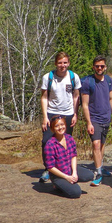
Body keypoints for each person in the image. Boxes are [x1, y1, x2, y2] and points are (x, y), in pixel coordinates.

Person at [40, 51, 81, 182]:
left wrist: (75, 114)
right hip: (52, 113)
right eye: (59, 63)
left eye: (65, 62)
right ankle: (48, 169)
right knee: (46, 141)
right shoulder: (48, 77)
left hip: (68, 114)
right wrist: (45, 116)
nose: (62, 65)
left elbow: (76, 96)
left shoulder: (74, 77)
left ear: (68, 63)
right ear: (55, 63)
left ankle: (65, 169)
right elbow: (44, 97)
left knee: (66, 143)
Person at [81, 55, 112, 186]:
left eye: (102, 66)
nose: (99, 68)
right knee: (96, 144)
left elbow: (111, 99)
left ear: (105, 67)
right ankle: (98, 173)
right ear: (93, 67)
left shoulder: (108, 80)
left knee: (101, 144)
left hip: (106, 118)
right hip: (94, 118)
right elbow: (85, 104)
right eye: (97, 66)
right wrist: (89, 122)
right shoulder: (87, 82)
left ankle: (100, 167)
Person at [43, 116, 94, 198]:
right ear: (52, 129)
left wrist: (74, 172)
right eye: (57, 126)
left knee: (89, 175)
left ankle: (67, 184)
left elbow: (73, 156)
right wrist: (66, 177)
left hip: (69, 169)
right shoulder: (50, 144)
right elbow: (50, 167)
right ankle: (58, 185)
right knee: (76, 193)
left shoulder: (69, 138)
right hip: (58, 175)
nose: (60, 128)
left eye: (62, 124)